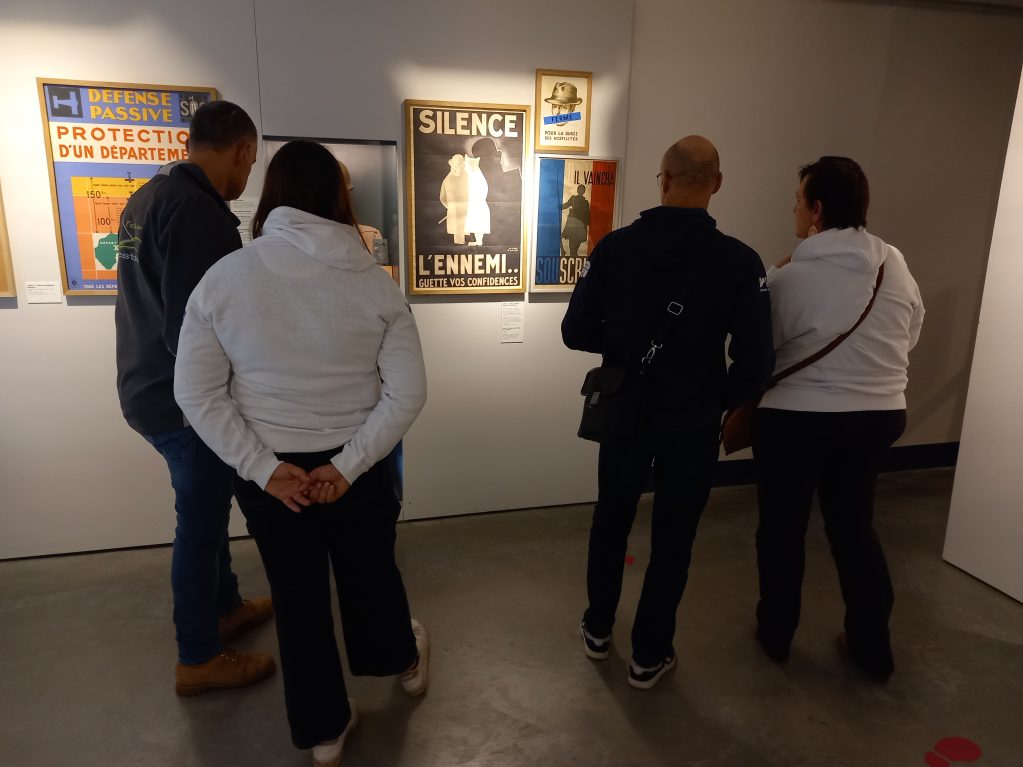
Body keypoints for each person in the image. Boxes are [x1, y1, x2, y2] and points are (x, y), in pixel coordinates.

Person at [173, 140, 429, 766]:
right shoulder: (373, 283)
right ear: (339, 196)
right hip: (357, 463)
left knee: (296, 596)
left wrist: (263, 469)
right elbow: (408, 392)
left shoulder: (225, 278)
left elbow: (196, 392)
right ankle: (401, 662)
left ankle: (324, 730)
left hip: (272, 470)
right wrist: (345, 466)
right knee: (371, 572)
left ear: (273, 195)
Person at [562, 135, 774, 689]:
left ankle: (598, 629)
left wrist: (624, 348)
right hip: (693, 421)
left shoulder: (615, 248)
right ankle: (648, 655)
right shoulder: (739, 261)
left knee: (611, 520)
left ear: (663, 180)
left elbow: (575, 331)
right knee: (674, 537)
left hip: (624, 413)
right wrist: (717, 395)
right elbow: (756, 361)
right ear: (717, 184)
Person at [114, 100, 275, 697]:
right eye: (251, 162)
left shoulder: (148, 197)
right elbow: (195, 328)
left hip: (145, 384)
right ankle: (198, 656)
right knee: (202, 522)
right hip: (183, 402)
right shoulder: (199, 214)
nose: (247, 174)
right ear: (242, 150)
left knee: (209, 507)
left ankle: (225, 607)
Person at [753, 156, 924, 679]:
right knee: (854, 529)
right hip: (879, 415)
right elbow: (912, 326)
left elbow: (761, 351)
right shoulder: (893, 262)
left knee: (782, 530)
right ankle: (872, 647)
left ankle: (777, 635)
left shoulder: (791, 277)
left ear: (816, 209)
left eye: (798, 198)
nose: (794, 207)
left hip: (797, 419)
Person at [561, 184, 590, 257]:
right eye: (579, 189)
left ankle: (573, 254)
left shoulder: (586, 202)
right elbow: (567, 205)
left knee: (578, 241)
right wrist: (559, 206)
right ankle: (571, 254)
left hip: (581, 224)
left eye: (582, 189)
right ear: (577, 190)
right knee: (572, 239)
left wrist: (586, 224)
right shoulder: (573, 198)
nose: (581, 190)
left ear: (584, 191)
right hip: (572, 223)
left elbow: (587, 214)